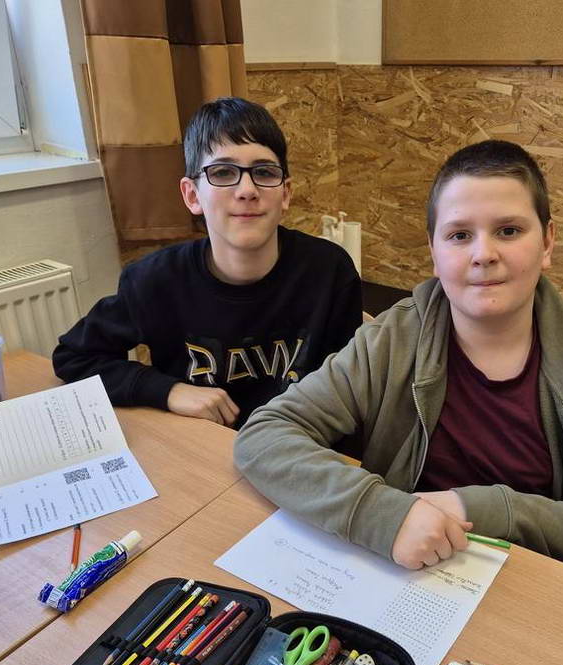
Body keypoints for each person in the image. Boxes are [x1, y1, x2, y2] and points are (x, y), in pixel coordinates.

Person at [235, 139, 563, 598]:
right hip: (413, 575)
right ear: (434, 252)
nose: (483, 253)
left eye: (508, 230)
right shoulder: (393, 339)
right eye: (460, 235)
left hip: (542, 588)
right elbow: (266, 435)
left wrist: (477, 507)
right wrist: (382, 514)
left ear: (547, 242)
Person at [53, 98, 362, 428]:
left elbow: (351, 386)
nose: (247, 190)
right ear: (192, 195)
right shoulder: (155, 280)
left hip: (299, 441)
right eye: (223, 172)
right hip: (201, 445)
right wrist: (167, 390)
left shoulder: (329, 271)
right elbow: (74, 356)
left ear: (285, 193)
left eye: (264, 172)